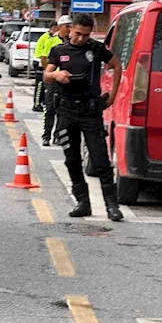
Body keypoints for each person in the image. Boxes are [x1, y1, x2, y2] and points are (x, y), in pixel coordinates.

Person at [44, 12, 124, 222]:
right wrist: (57, 75)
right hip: (66, 111)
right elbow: (46, 74)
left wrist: (113, 95)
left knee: (101, 160)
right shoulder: (59, 50)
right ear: (70, 29)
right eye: (78, 33)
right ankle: (82, 201)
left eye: (86, 35)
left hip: (90, 112)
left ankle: (112, 205)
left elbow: (117, 66)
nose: (81, 38)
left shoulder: (95, 49)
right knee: (72, 159)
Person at [42, 15, 72, 146]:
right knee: (50, 108)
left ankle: (58, 136)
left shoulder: (72, 41)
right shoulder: (51, 40)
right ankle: (46, 135)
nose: (70, 28)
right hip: (53, 79)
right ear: (60, 27)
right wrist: (50, 74)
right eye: (67, 26)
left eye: (71, 26)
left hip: (66, 81)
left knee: (63, 110)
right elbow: (44, 59)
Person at [32, 22, 59, 112]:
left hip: (43, 62)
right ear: (53, 28)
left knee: (44, 85)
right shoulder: (47, 37)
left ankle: (41, 102)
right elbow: (44, 55)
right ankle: (36, 104)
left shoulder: (49, 36)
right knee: (40, 85)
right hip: (40, 62)